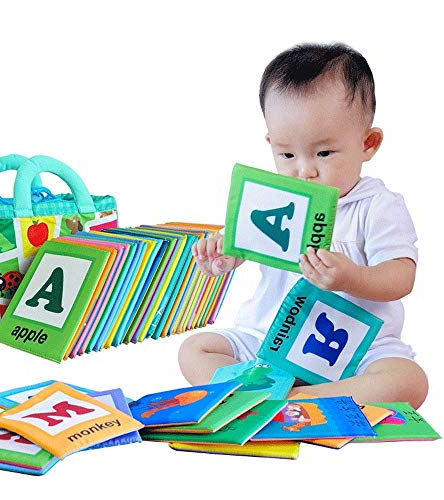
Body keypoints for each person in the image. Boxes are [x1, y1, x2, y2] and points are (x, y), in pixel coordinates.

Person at [178, 42, 428, 409]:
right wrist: (222, 255)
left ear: (368, 143)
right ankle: (264, 390)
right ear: (271, 144)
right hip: (268, 340)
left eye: (323, 153)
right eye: (287, 154)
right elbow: (241, 244)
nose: (304, 170)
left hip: (357, 348)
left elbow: (402, 277)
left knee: (409, 381)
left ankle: (293, 398)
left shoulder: (378, 206)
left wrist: (352, 278)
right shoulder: (274, 199)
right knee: (194, 349)